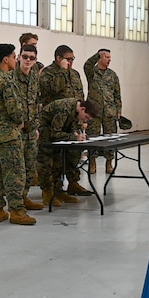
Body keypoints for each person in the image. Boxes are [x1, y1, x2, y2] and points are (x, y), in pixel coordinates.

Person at [0, 43, 35, 225]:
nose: (16, 60)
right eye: (13, 57)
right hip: (7, 135)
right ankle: (17, 210)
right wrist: (21, 120)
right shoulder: (6, 80)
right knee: (15, 172)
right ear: (5, 59)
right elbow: (15, 111)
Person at [38, 45, 88, 195]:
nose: (71, 62)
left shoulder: (75, 74)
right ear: (59, 58)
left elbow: (80, 95)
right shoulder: (48, 73)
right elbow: (53, 88)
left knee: (73, 154)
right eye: (69, 59)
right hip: (54, 122)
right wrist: (62, 71)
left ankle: (73, 183)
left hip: (72, 121)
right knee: (55, 159)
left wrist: (83, 117)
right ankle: (54, 190)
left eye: (73, 59)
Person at [37, 99, 99, 207]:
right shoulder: (64, 109)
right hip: (45, 132)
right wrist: (74, 137)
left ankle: (58, 192)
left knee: (59, 162)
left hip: (56, 135)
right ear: (83, 109)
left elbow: (70, 127)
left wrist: (77, 134)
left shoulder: (76, 110)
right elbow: (55, 133)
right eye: (87, 117)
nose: (86, 120)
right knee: (46, 164)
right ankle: (47, 193)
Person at [13, 44, 44, 210]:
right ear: (18, 57)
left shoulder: (34, 77)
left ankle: (24, 197)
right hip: (15, 129)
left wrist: (36, 126)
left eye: (31, 58)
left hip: (31, 129)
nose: (27, 60)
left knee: (29, 166)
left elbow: (36, 102)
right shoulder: (11, 77)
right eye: (25, 57)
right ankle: (15, 202)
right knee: (16, 168)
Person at [84, 48, 122, 174]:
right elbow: (87, 65)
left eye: (110, 57)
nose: (109, 59)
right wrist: (96, 55)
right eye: (106, 57)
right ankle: (92, 163)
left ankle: (109, 163)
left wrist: (119, 109)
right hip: (94, 112)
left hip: (109, 111)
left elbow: (117, 94)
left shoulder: (112, 75)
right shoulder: (92, 72)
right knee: (93, 137)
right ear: (100, 58)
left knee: (110, 137)